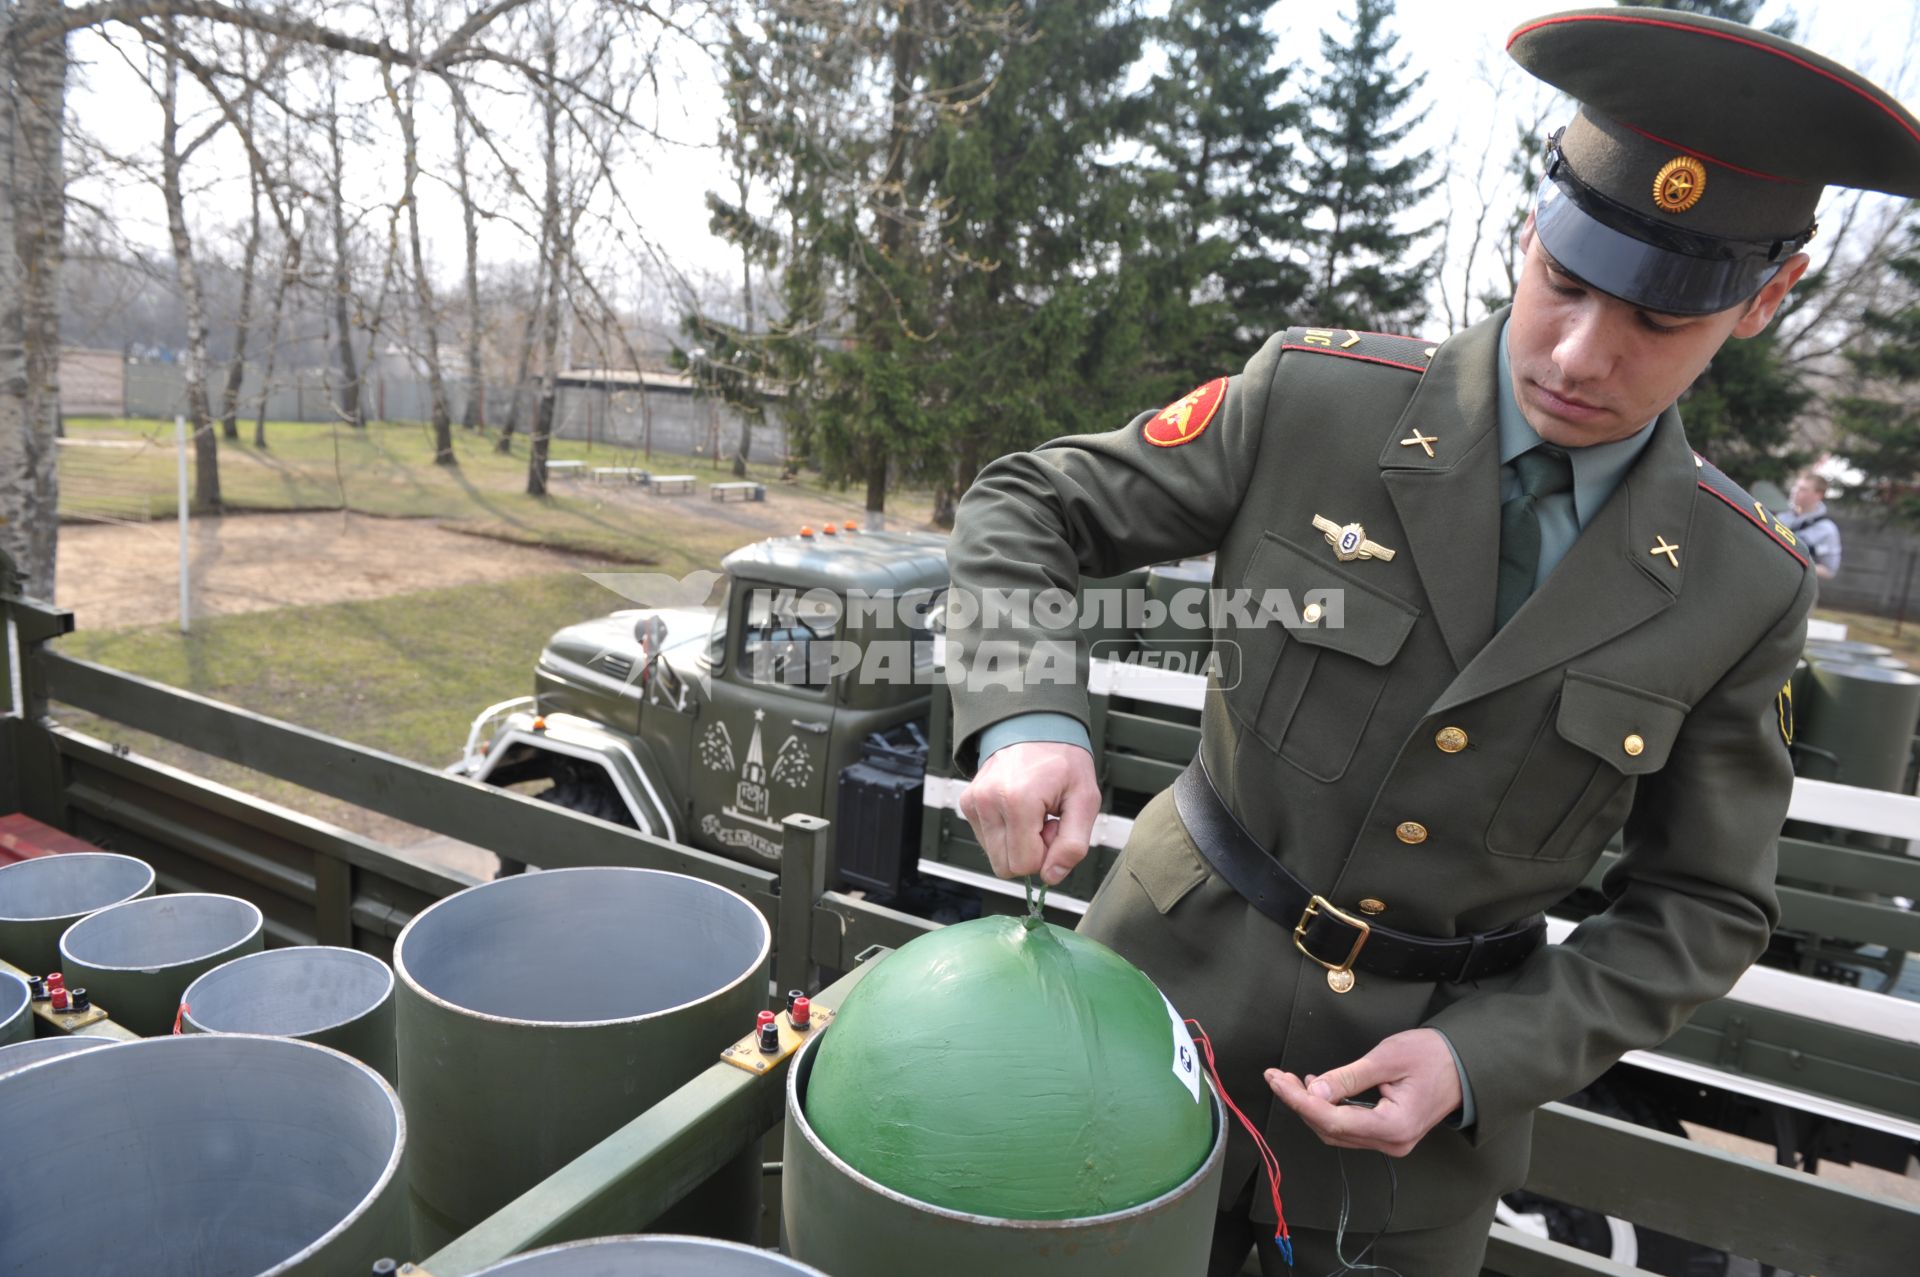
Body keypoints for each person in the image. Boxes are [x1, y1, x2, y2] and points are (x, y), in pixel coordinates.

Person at [944, 9, 1920, 1275]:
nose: (1580, 353)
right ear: (1531, 229)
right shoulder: (1316, 403)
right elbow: (1029, 504)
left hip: (1402, 1165)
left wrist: (1479, 1060)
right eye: (1566, 282)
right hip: (1142, 1022)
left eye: (1656, 324)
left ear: (1764, 301)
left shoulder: (1741, 583)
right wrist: (1028, 719)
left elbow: (1700, 906)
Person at [1782, 472, 1842, 581]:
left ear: (1818, 495)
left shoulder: (1827, 530)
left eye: (1803, 489)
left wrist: (1797, 563)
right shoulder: (1781, 517)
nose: (1795, 491)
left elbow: (1829, 571)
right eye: (1796, 487)